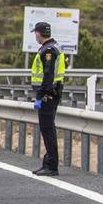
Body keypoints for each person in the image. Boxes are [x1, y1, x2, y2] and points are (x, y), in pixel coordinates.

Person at [30, 21, 66, 176]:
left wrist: (39, 96)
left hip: (47, 95)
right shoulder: (54, 46)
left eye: (35, 33)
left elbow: (48, 76)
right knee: (47, 129)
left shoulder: (48, 50)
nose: (35, 36)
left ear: (39, 33)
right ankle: (47, 162)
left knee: (47, 129)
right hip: (52, 93)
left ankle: (51, 166)